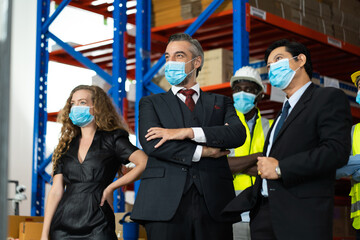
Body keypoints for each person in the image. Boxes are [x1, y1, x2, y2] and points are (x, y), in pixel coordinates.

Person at [223, 39, 352, 240]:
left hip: (299, 214)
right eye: (269, 65)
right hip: (264, 214)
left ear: (300, 60)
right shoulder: (281, 117)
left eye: (278, 59)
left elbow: (336, 151)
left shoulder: (327, 98)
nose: (272, 67)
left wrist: (281, 168)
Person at [130, 33, 246, 240]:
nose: (170, 62)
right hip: (164, 205)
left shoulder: (221, 102)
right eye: (167, 57)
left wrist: (188, 133)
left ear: (197, 61)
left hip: (214, 203)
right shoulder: (151, 103)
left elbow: (237, 134)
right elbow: (152, 143)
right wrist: (203, 151)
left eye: (179, 56)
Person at [40, 85, 148, 240]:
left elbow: (144, 163)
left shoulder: (113, 139)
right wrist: (44, 234)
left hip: (99, 224)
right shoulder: (65, 146)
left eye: (82, 102)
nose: (76, 107)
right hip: (62, 226)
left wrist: (111, 187)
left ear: (96, 107)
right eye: (73, 103)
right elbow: (56, 191)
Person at [227, 66, 273, 240]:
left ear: (260, 94)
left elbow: (273, 168)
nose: (241, 93)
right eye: (237, 89)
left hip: (263, 209)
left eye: (248, 89)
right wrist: (257, 156)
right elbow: (222, 166)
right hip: (232, 209)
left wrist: (235, 164)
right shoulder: (223, 125)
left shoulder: (270, 126)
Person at [336, 70, 360, 239]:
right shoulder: (354, 131)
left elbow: (343, 166)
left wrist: (351, 167)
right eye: (359, 87)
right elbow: (338, 167)